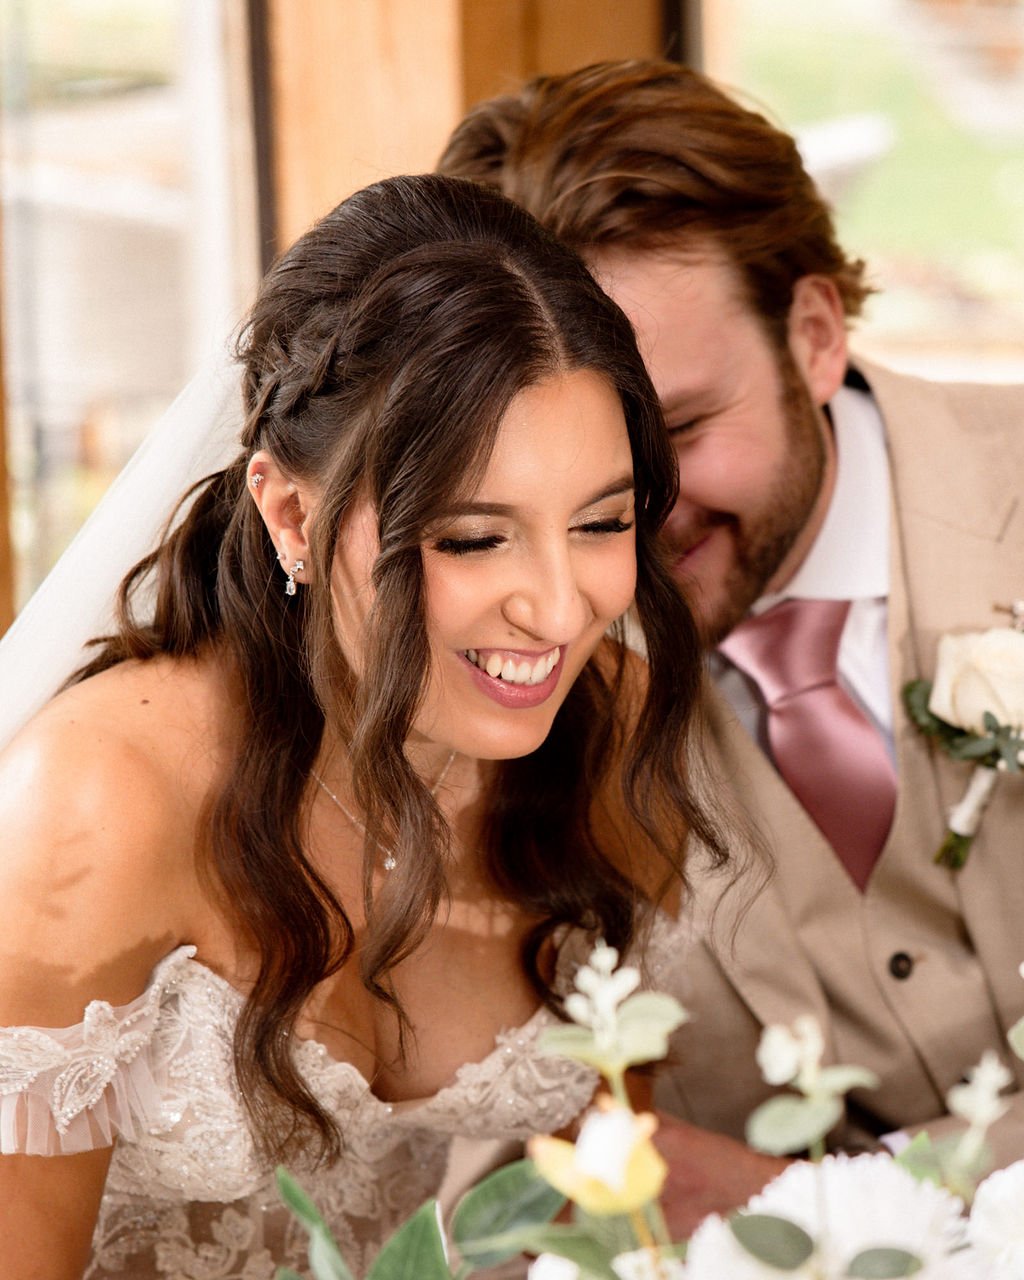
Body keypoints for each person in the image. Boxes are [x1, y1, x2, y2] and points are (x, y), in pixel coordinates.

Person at [0, 172, 723, 1279]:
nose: (560, 605)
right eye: (475, 537)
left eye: (599, 521)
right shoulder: (100, 798)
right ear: (290, 511)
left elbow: (591, 1205)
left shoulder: (604, 739)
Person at [438, 58, 1024, 1225]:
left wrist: (807, 1198)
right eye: (567, 471)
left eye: (682, 432)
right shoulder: (488, 687)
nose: (632, 525)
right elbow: (501, 1175)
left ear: (813, 335)